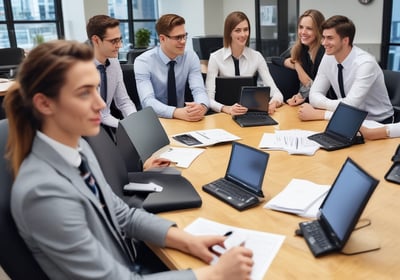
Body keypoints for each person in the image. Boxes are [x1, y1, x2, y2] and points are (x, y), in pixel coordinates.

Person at [4, 40, 253, 280]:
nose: (100, 103)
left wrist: (188, 240)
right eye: (84, 93)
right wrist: (215, 275)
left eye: (96, 88)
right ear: (44, 103)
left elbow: (122, 214)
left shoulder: (76, 149)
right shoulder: (42, 193)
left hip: (127, 260)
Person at [298, 15, 394, 123]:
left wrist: (322, 113)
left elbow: (351, 105)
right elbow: (314, 96)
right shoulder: (328, 57)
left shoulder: (366, 64)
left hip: (377, 122)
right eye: (323, 37)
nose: (324, 43)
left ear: (345, 40)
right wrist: (338, 106)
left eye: (329, 38)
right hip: (346, 118)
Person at [134, 14, 210, 121]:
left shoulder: (190, 57)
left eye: (184, 36)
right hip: (154, 120)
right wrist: (175, 112)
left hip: (182, 118)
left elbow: (199, 90)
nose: (183, 41)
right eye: (178, 37)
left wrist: (201, 106)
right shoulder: (143, 61)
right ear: (162, 38)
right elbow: (147, 101)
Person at [206, 11, 283, 115]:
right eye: (237, 30)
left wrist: (272, 104)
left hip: (249, 114)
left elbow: (277, 93)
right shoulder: (215, 58)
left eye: (246, 30)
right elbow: (208, 99)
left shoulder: (256, 57)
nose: (243, 34)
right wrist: (226, 109)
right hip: (223, 115)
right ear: (229, 33)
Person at [87, 15, 137, 128]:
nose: (119, 45)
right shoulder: (81, 68)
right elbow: (97, 114)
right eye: (114, 41)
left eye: (119, 39)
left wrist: (134, 123)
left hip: (108, 123)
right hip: (85, 127)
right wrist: (124, 127)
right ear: (96, 40)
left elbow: (124, 101)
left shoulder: (114, 62)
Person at [284, 9, 325, 106]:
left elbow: (315, 87)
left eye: (309, 28)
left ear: (318, 31)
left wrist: (297, 66)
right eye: (301, 27)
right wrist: (300, 96)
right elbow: (277, 59)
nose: (303, 32)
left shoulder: (323, 54)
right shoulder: (302, 50)